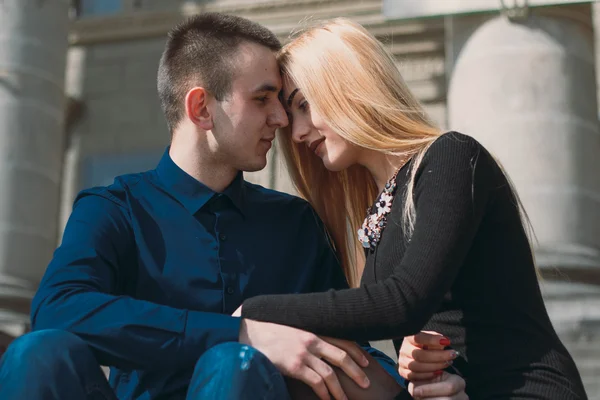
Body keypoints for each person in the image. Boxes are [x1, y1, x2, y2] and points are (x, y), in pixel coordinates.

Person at [0, 13, 467, 400]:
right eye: (264, 99)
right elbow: (58, 310)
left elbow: (347, 354)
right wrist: (243, 334)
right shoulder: (113, 209)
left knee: (234, 368)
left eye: (283, 104)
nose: (282, 120)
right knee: (34, 355)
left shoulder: (295, 224)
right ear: (201, 108)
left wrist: (415, 380)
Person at [236, 18, 589, 399]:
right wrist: (415, 354)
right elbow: (419, 317)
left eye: (304, 105)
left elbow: (401, 302)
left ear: (348, 85)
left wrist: (254, 313)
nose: (300, 133)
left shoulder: (450, 156)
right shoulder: (381, 207)